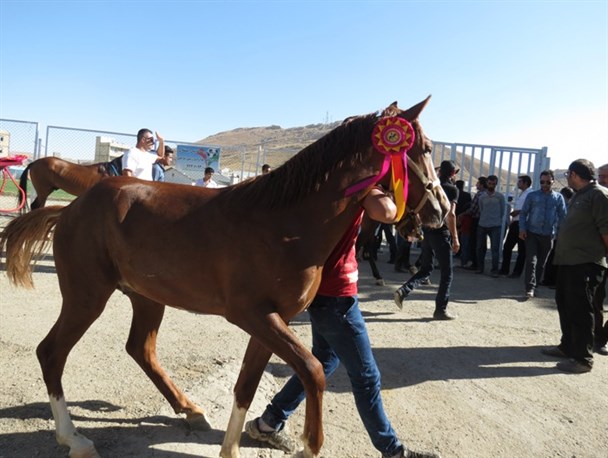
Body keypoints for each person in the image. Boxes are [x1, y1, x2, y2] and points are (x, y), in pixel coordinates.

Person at [245, 186, 439, 458]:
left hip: (325, 292)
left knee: (323, 362)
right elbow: (386, 211)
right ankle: (393, 452)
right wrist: (388, 186)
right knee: (367, 377)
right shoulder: (358, 187)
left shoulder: (321, 186)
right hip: (337, 296)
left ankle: (268, 422)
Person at [541, 159, 608, 373]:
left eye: (568, 174)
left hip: (586, 263)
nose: (567, 178)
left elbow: (606, 230)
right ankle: (568, 346)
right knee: (566, 304)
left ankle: (583, 358)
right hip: (569, 262)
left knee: (581, 309)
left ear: (574, 174)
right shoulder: (579, 195)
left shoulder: (598, 195)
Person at [394, 160, 460, 320]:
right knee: (447, 273)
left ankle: (404, 290)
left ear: (440, 171)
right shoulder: (452, 189)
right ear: (453, 173)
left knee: (426, 268)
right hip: (441, 233)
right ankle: (441, 310)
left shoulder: (432, 187)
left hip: (427, 232)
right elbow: (451, 215)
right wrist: (455, 238)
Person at [518, 170, 566, 299]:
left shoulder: (558, 198)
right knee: (531, 261)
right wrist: (522, 229)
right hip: (532, 233)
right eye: (542, 182)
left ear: (553, 181)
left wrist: (561, 234)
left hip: (548, 235)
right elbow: (523, 214)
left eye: (548, 182)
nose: (545, 184)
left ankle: (536, 284)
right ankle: (529, 287)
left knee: (541, 263)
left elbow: (563, 216)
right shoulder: (532, 196)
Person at [499, 175, 532, 277]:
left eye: (520, 182)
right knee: (508, 247)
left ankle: (517, 272)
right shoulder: (522, 194)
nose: (518, 183)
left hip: (523, 224)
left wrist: (518, 212)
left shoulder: (530, 194)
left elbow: (531, 209)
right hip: (516, 223)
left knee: (521, 249)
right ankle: (505, 269)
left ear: (525, 183)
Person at [541, 186, 574, 288]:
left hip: (563, 238)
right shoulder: (561, 206)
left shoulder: (570, 208)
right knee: (551, 259)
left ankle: (556, 282)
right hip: (556, 236)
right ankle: (548, 280)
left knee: (559, 261)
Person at [475, 175, 505, 277]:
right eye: (489, 183)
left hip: (495, 225)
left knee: (495, 249)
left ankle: (494, 270)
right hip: (482, 224)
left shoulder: (500, 197)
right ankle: (480, 268)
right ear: (486, 183)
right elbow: (481, 209)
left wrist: (496, 219)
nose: (491, 185)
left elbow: (502, 211)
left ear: (496, 184)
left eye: (493, 184)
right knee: (480, 248)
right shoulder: (482, 197)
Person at [592, 163, 608, 355]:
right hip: (597, 256)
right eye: (600, 176)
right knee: (596, 299)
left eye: (605, 177)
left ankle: (604, 336)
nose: (601, 180)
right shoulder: (594, 197)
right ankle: (596, 336)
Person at [463, 176, 487, 270]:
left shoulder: (479, 194)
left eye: (478, 183)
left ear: (481, 185)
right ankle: (479, 263)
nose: (476, 184)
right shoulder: (486, 194)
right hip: (483, 220)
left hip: (476, 220)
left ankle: (475, 263)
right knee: (481, 243)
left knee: (474, 242)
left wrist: (462, 214)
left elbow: (472, 209)